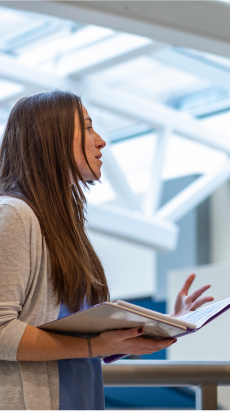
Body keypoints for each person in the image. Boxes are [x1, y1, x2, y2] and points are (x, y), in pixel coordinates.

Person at [0, 90, 213, 411]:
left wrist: (158, 327)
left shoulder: (62, 224)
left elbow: (80, 337)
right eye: (87, 128)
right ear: (51, 138)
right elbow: (2, 332)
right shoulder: (14, 215)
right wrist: (94, 345)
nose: (100, 141)